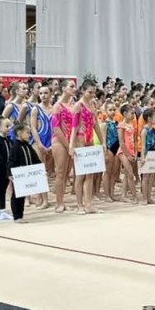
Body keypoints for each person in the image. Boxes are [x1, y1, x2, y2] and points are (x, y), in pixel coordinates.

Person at [69, 80, 106, 214]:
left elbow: (95, 124)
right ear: (83, 91)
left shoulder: (92, 105)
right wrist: (71, 145)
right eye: (90, 92)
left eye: (94, 92)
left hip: (90, 141)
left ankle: (89, 204)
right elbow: (74, 127)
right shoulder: (78, 106)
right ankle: (80, 205)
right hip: (80, 141)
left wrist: (102, 142)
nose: (92, 95)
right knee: (80, 175)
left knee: (90, 174)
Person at [51, 79, 76, 212]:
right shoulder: (57, 106)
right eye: (71, 86)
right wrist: (68, 146)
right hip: (59, 141)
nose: (74, 89)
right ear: (64, 89)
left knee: (66, 174)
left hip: (70, 141)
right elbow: (56, 128)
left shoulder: (73, 105)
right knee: (60, 173)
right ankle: (59, 203)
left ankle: (62, 201)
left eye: (74, 86)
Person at [8, 122, 40, 223]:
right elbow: (11, 161)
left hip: (26, 175)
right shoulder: (15, 147)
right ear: (19, 133)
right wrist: (10, 174)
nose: (29, 135)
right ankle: (17, 216)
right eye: (27, 133)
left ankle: (20, 215)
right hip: (18, 176)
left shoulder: (27, 146)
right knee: (17, 196)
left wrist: (41, 169)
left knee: (22, 196)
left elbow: (35, 158)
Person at [30, 85, 54, 209]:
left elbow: (56, 127)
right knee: (40, 171)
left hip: (51, 142)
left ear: (50, 94)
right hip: (38, 141)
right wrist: (39, 144)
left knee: (48, 171)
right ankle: (43, 199)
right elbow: (33, 128)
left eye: (45, 93)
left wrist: (53, 144)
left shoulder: (54, 109)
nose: (43, 96)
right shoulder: (36, 109)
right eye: (41, 93)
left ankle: (42, 197)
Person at [117, 104, 139, 204]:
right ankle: (134, 197)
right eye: (132, 113)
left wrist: (135, 152)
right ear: (125, 114)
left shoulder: (131, 125)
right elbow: (121, 142)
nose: (133, 115)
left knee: (127, 174)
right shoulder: (121, 126)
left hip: (131, 151)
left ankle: (123, 195)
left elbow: (134, 140)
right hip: (123, 152)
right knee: (130, 174)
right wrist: (128, 155)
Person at [139, 108, 155, 205]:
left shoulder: (154, 130)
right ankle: (144, 198)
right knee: (145, 177)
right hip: (147, 154)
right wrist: (142, 157)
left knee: (152, 176)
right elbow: (143, 145)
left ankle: (149, 197)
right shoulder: (144, 131)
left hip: (153, 153)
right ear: (149, 118)